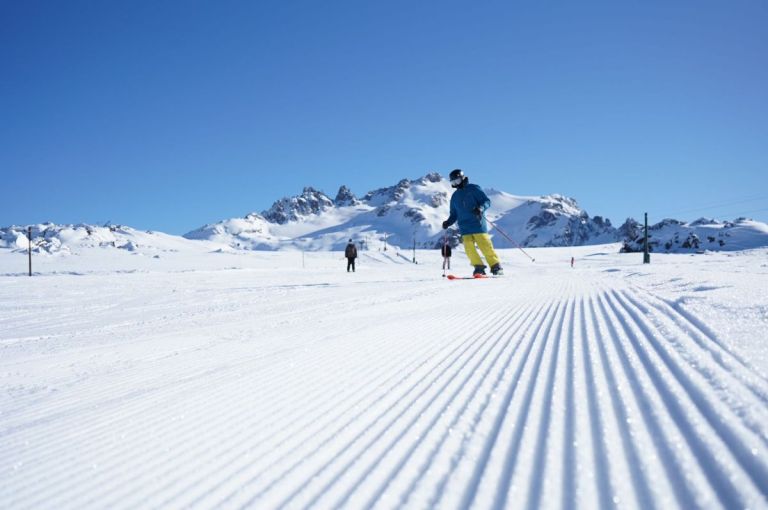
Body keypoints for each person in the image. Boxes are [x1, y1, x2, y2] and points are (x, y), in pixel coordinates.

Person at [441, 169, 503, 276]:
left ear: (462, 178)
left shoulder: (473, 188)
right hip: (464, 227)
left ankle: (496, 266)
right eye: (453, 182)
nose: (456, 184)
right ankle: (478, 267)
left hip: (477, 224)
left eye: (457, 181)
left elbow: (486, 201)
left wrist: (480, 208)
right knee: (469, 249)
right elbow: (454, 214)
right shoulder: (455, 197)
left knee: (485, 246)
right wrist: (448, 222)